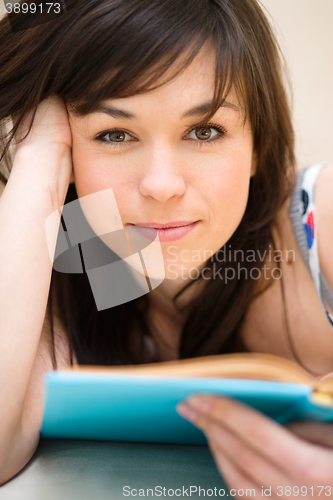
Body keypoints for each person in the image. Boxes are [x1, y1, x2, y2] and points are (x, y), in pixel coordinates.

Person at [0, 0, 332, 493]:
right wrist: (36, 163)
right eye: (115, 134)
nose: (161, 185)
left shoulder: (318, 222)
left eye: (204, 131)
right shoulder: (80, 266)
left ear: (258, 142)